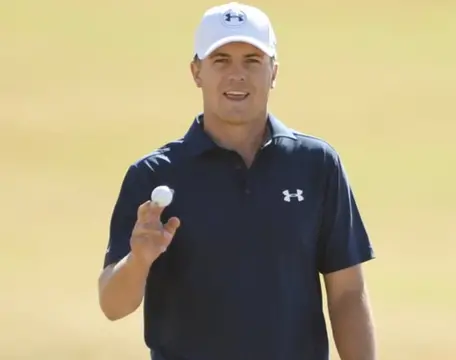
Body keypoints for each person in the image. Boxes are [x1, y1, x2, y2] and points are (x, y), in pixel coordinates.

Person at [97, 2, 376, 360]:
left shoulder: (316, 165)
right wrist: (139, 260)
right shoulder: (153, 176)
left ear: (274, 71)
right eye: (221, 60)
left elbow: (347, 294)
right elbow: (112, 304)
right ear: (197, 72)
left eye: (252, 61)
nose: (237, 75)